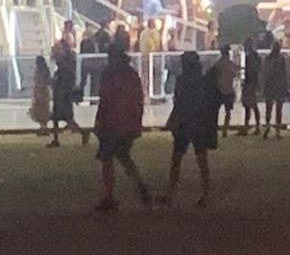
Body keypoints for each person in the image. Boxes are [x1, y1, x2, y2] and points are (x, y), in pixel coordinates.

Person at [92, 45, 151, 211]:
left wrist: (99, 122)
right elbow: (137, 100)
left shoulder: (109, 74)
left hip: (111, 123)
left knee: (107, 159)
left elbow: (105, 100)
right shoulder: (131, 75)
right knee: (123, 157)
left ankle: (110, 195)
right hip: (125, 123)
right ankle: (140, 185)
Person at [165, 51, 218, 206]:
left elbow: (179, 102)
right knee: (201, 158)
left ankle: (171, 193)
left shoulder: (183, 80)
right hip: (198, 123)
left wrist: (175, 119)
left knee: (177, 159)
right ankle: (205, 193)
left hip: (185, 122)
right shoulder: (203, 81)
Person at [49, 38, 83, 147]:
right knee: (59, 117)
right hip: (62, 89)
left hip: (63, 90)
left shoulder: (67, 59)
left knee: (66, 117)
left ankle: (82, 132)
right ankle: (56, 138)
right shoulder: (70, 58)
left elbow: (66, 72)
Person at [259, 36, 289, 138]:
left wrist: (263, 84)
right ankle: (277, 131)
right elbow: (284, 73)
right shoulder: (281, 59)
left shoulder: (267, 58)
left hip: (270, 84)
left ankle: (268, 128)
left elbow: (264, 73)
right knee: (278, 108)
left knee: (269, 107)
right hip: (278, 84)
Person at [29, 53, 51, 135]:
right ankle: (44, 127)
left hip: (40, 92)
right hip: (44, 92)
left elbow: (39, 82)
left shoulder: (39, 71)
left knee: (40, 110)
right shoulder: (45, 70)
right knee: (43, 110)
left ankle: (43, 128)